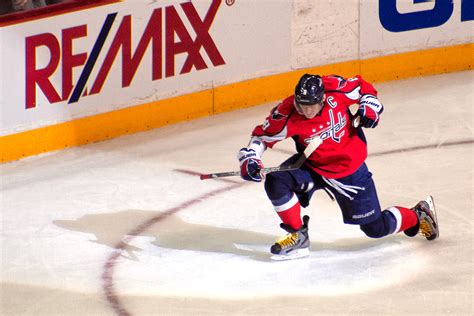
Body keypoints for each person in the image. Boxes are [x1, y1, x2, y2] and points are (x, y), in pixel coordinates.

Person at [237, 74, 439, 260]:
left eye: (310, 107)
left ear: (322, 99)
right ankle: (298, 236)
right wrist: (251, 157)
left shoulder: (335, 89)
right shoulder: (286, 112)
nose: (305, 111)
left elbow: (362, 88)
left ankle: (418, 215)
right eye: (301, 105)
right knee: (276, 181)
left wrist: (369, 106)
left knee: (375, 228)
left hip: (349, 171)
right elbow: (262, 137)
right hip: (312, 165)